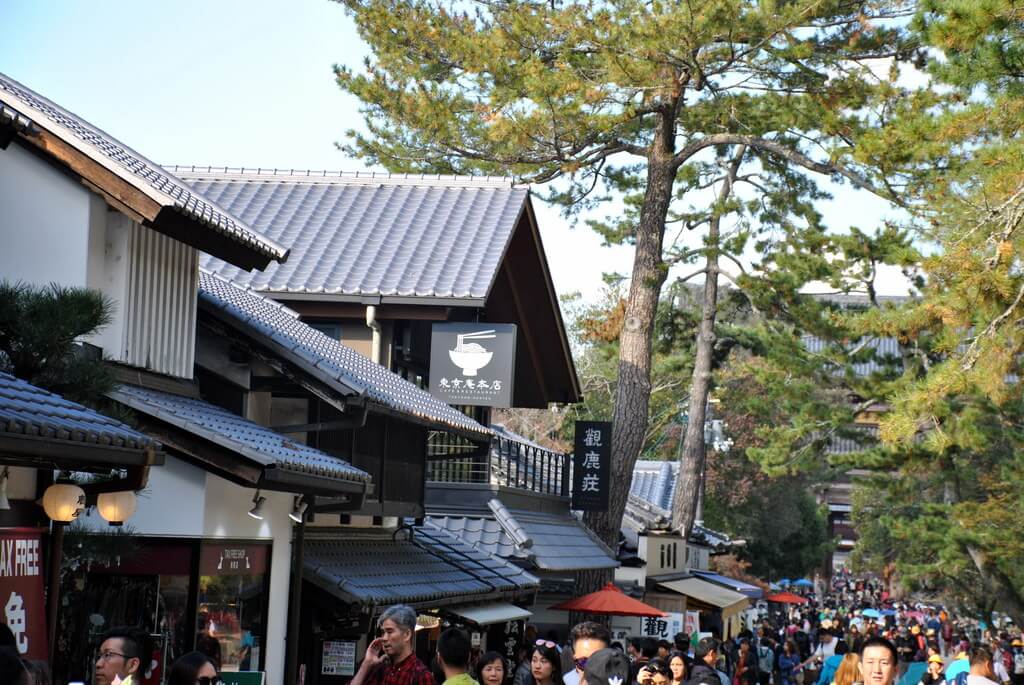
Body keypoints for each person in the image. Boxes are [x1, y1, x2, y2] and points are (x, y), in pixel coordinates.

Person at [350, 604, 436, 685]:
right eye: (383, 632)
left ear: (407, 634)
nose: (384, 638)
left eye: (389, 632)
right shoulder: (382, 669)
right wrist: (367, 663)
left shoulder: (420, 675)